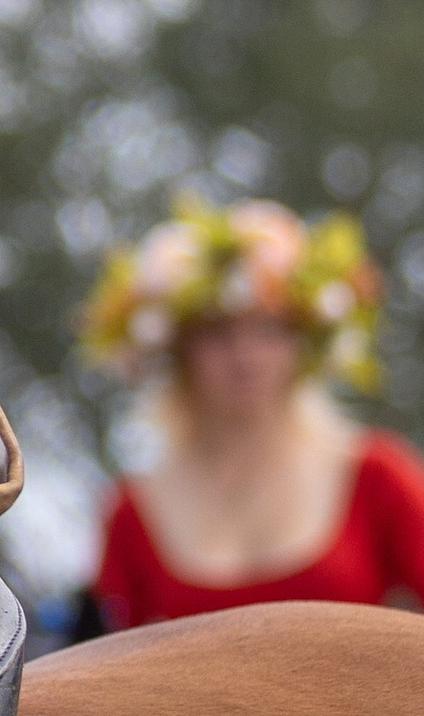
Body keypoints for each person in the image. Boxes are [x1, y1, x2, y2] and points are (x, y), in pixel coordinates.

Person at [79, 197, 424, 631]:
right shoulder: (132, 512)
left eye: (270, 330)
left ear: (305, 345)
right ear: (177, 351)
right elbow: (107, 672)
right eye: (217, 333)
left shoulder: (377, 477)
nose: (246, 357)